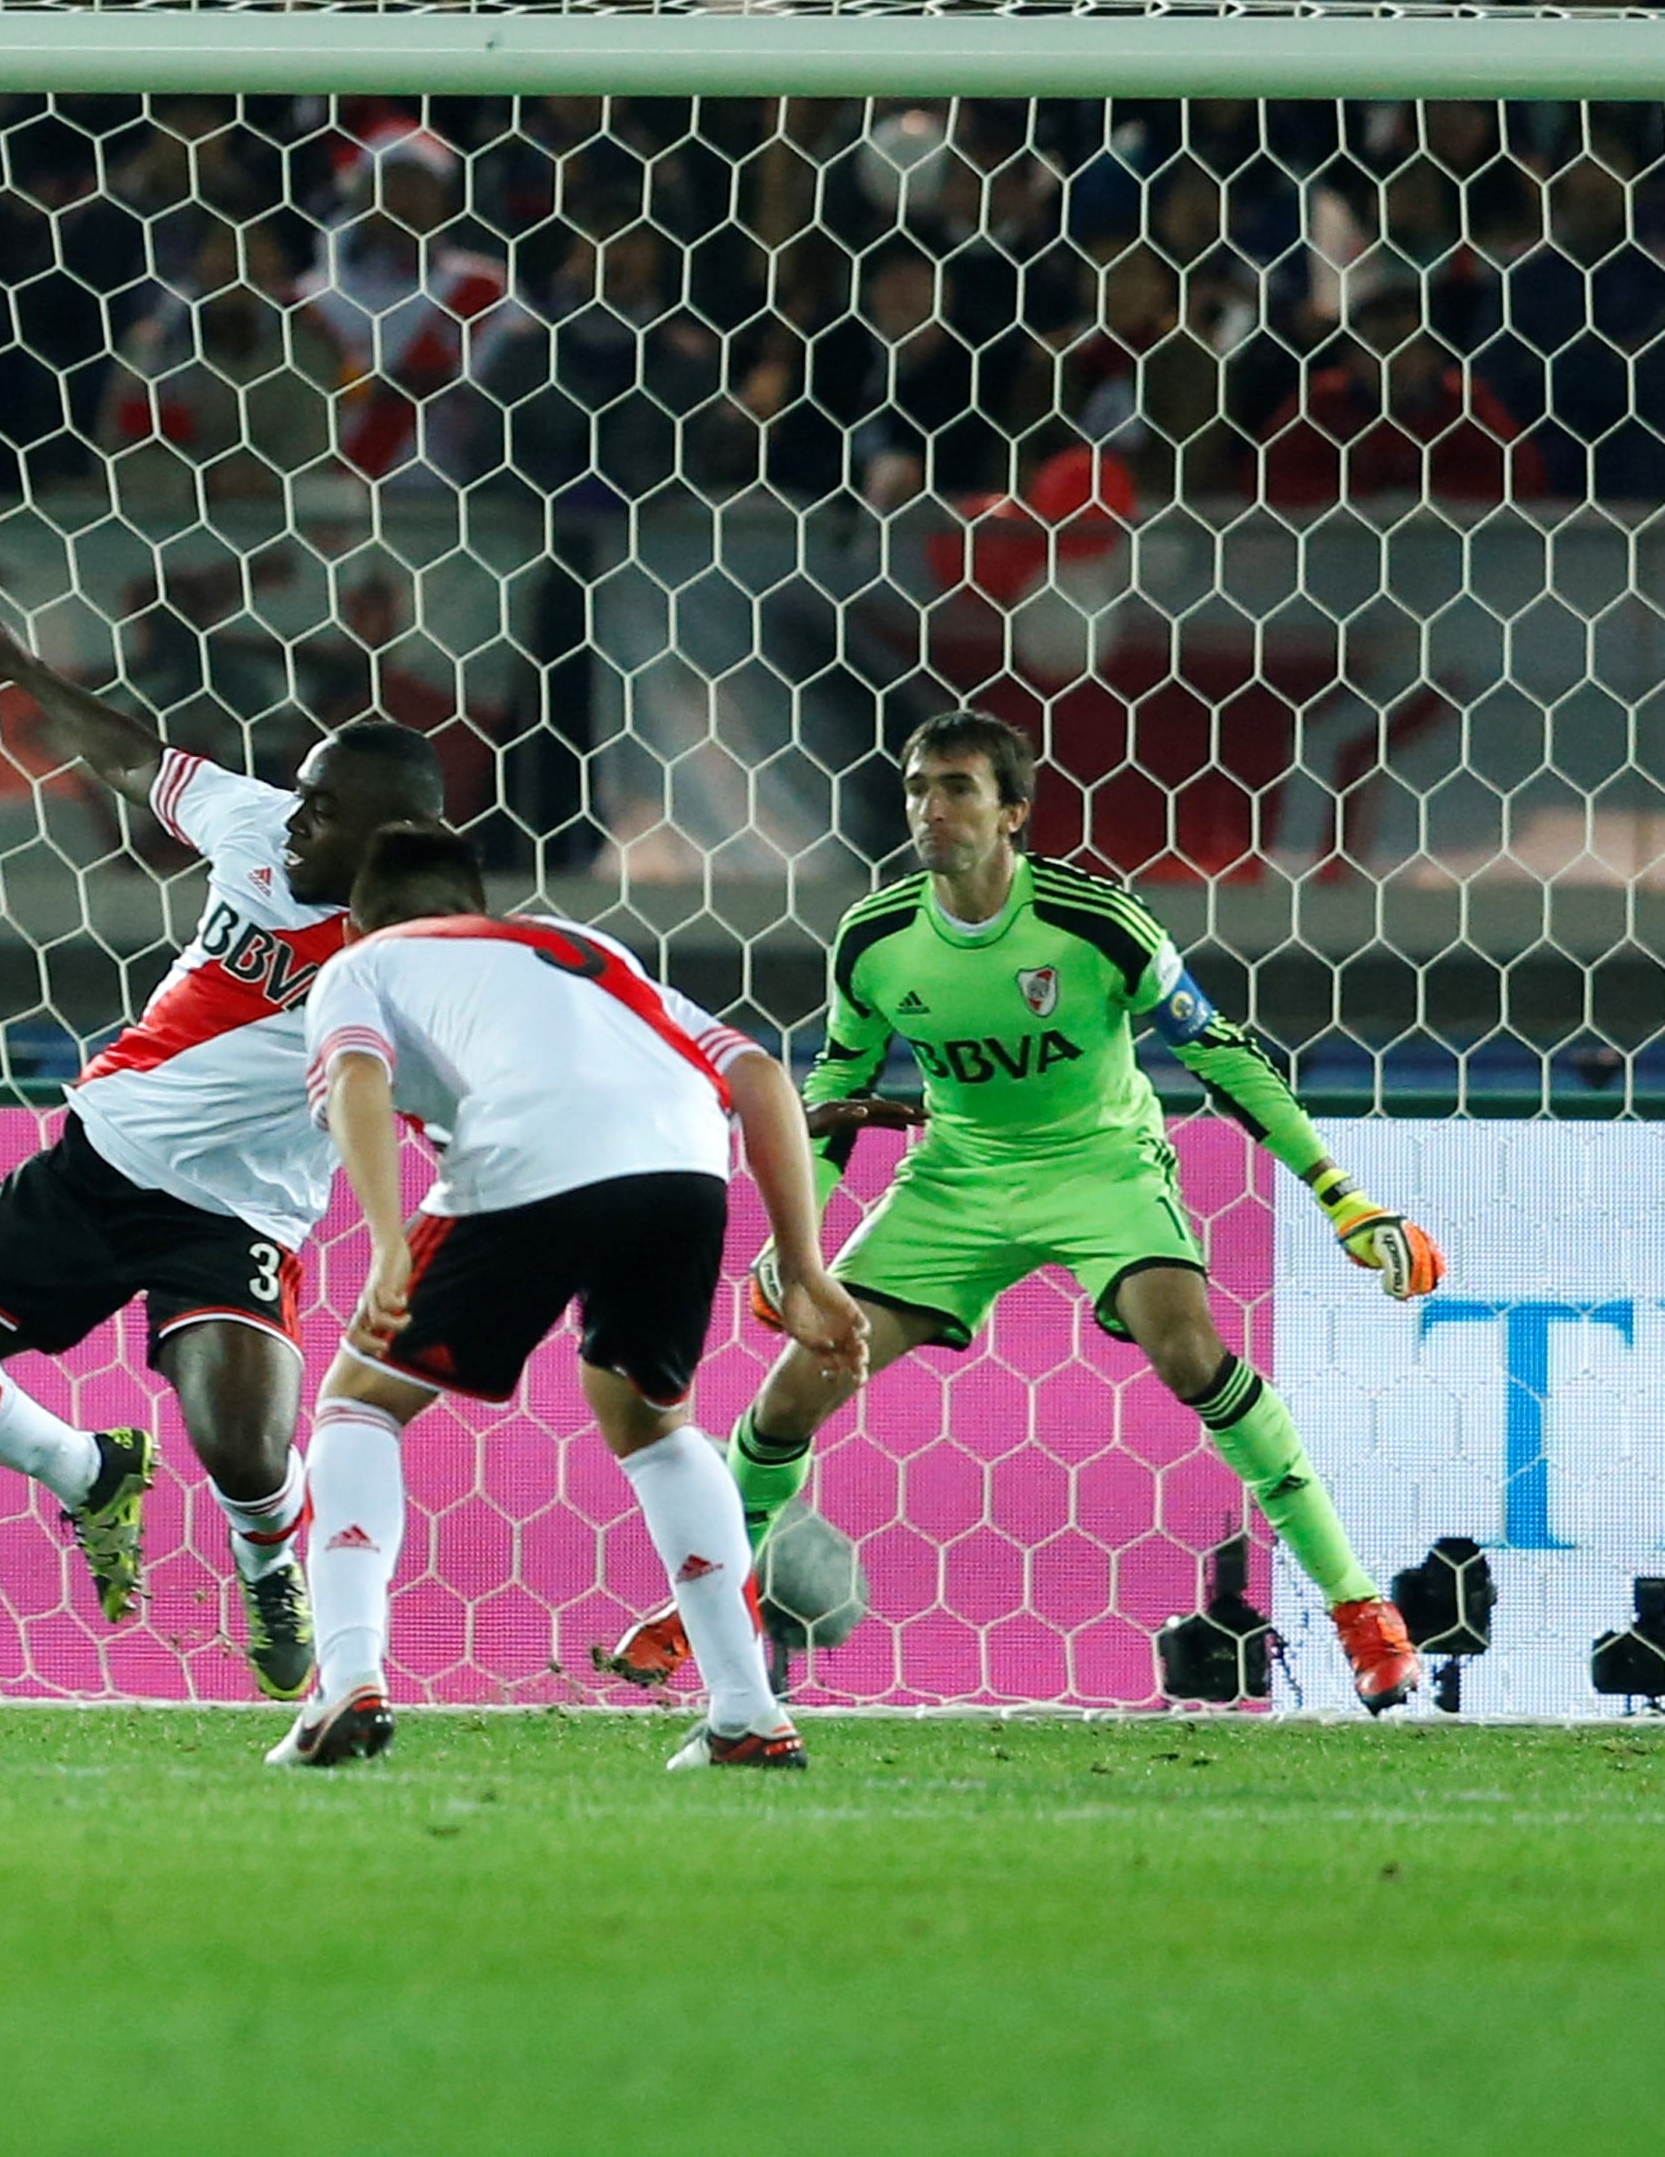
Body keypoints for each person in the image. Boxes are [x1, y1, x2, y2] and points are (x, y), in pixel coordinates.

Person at [586, 711, 1444, 1716]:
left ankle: (1358, 1612)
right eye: (916, 787)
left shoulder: (1097, 924)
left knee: (1188, 1352)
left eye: (956, 788)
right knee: (788, 1398)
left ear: (1013, 814)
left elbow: (1221, 1053)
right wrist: (798, 1241)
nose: (930, 809)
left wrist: (1342, 1197)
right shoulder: (874, 940)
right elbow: (839, 1091)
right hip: (958, 1179)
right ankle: (704, 1610)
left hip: (1103, 1168)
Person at [0, 613, 452, 1700]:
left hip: (237, 1222)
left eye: (325, 808)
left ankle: (271, 1572)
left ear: (395, 834)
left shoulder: (417, 963)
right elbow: (130, 758)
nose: (297, 818)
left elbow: (453, 1109)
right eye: (301, 794)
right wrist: (20, 670)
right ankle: (86, 1471)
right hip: (94, 1169)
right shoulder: (256, 827)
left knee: (247, 1453)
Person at [275, 826, 867, 1770]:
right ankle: (747, 1712)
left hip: (530, 1156)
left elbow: (355, 1072)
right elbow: (755, 1071)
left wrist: (388, 1241)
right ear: (479, 904)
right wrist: (804, 1265)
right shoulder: (586, 950)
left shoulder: (364, 964)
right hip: (684, 1164)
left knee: (361, 1400)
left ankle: (345, 1680)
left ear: (360, 921)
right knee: (652, 1422)